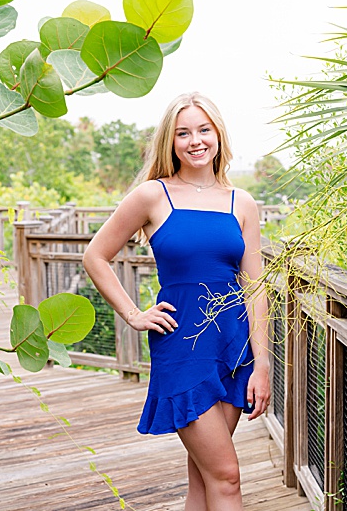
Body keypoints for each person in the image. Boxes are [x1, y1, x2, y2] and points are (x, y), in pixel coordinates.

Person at [82, 92, 271, 510]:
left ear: (218, 134)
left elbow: (255, 286)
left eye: (204, 130)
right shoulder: (152, 196)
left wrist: (263, 363)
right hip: (182, 346)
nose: (195, 140)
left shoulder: (243, 203)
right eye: (184, 133)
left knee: (205, 480)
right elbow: (95, 256)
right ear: (171, 141)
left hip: (233, 347)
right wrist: (133, 314)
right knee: (227, 476)